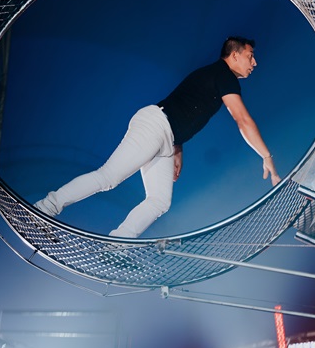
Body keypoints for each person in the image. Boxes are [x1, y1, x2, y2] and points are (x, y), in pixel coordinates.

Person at [34, 36, 280, 238]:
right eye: (250, 56)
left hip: (166, 137)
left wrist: (177, 148)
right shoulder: (223, 74)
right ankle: (44, 209)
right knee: (108, 177)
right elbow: (242, 120)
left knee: (160, 201)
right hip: (155, 126)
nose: (255, 62)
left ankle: (118, 243)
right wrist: (266, 156)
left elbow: (183, 104)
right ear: (234, 55)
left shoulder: (213, 75)